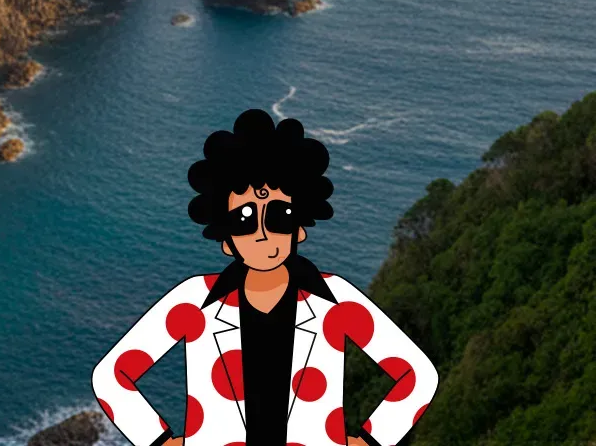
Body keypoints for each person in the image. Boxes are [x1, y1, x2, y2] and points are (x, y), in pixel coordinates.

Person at [90, 109, 437, 446]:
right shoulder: (193, 301)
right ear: (226, 240)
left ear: (299, 228)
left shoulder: (336, 300)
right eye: (243, 221)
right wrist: (160, 441)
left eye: (279, 216)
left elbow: (418, 376)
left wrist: (371, 441)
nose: (262, 233)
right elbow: (112, 377)